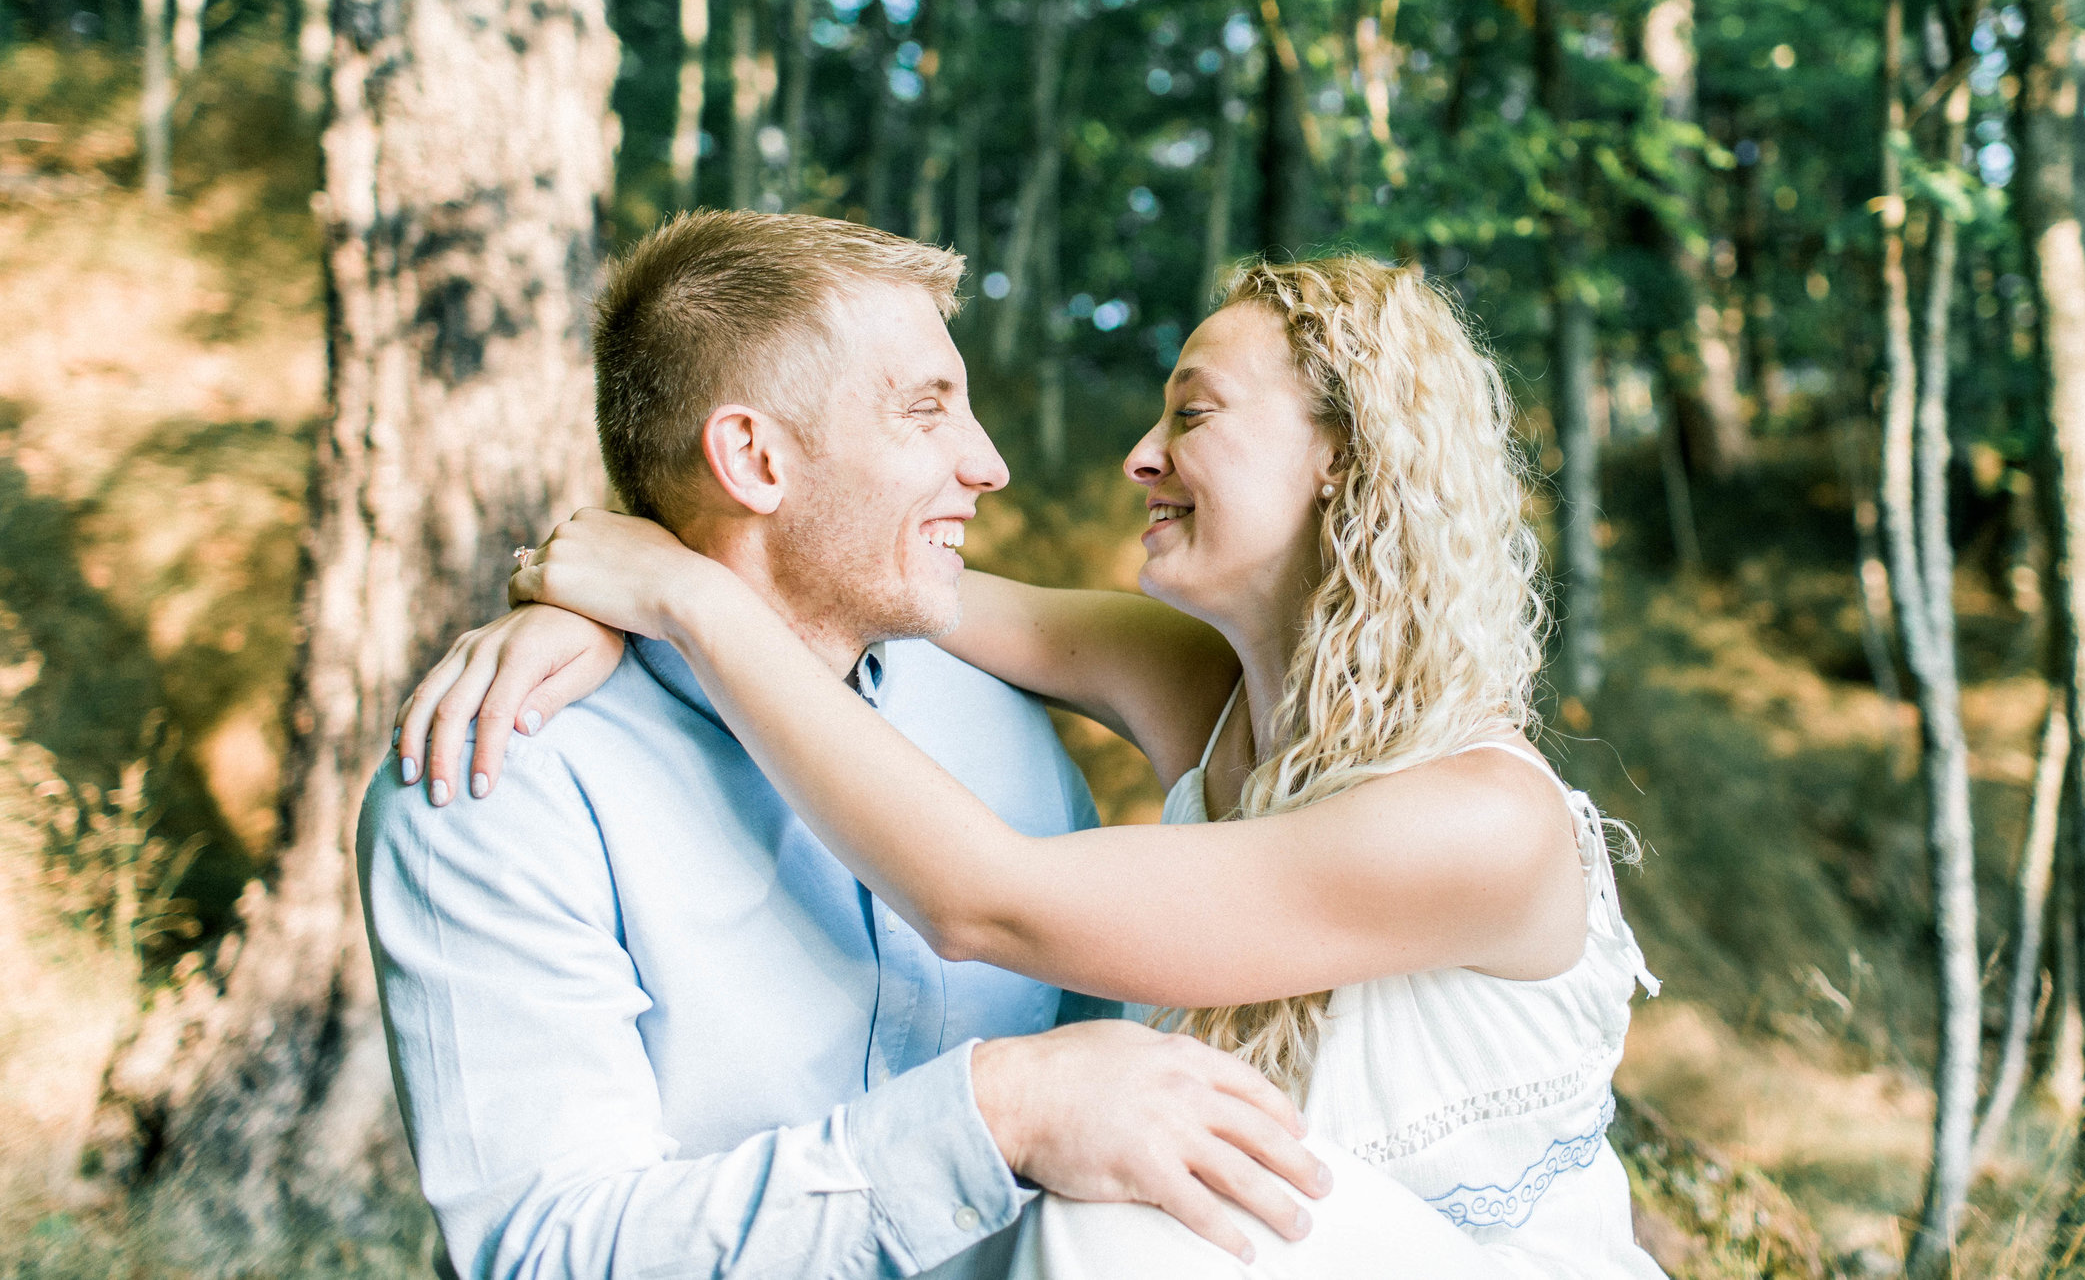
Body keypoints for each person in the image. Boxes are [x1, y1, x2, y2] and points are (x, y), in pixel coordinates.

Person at [410, 248, 1665, 1278]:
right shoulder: (1196, 686)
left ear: (1343, 452)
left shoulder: (1479, 822)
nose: (1134, 453)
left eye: (1193, 413)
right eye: (926, 409)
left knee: (1116, 1223)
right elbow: (858, 577)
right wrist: (611, 593)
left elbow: (985, 897)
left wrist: (680, 589)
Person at [357, 212, 1330, 1280]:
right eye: (925, 411)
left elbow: (1132, 1100)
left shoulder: (1000, 722)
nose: (989, 463)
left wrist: (673, 589)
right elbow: (546, 1251)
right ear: (754, 458)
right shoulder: (502, 779)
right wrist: (994, 1114)